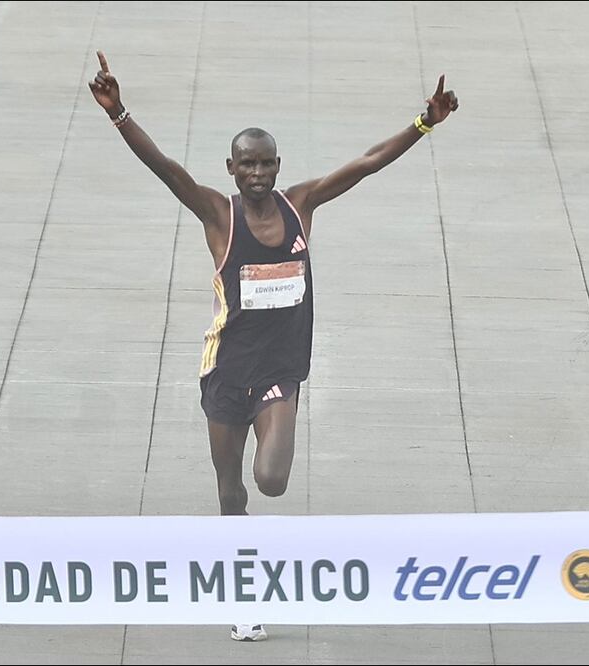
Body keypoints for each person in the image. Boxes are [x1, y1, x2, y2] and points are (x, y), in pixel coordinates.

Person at [89, 51, 458, 642]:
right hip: (225, 372)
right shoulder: (217, 214)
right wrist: (119, 113)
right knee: (232, 491)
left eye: (266, 164)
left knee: (272, 481)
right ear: (232, 169)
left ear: (278, 165)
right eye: (247, 165)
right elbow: (165, 168)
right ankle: (243, 593)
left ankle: (255, 526)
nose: (258, 173)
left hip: (280, 372)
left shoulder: (301, 204)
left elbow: (365, 165)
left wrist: (424, 123)